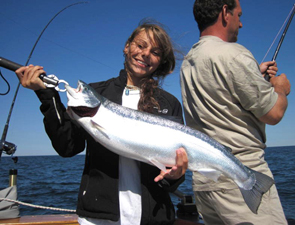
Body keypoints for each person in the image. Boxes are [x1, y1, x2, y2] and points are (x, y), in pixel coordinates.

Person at [16, 21, 188, 225]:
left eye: (155, 52)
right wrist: (46, 95)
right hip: (98, 219)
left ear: (160, 61)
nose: (145, 54)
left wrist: (174, 175)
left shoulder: (169, 103)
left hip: (154, 218)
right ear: (127, 46)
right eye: (141, 45)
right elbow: (68, 146)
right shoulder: (97, 94)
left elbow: (171, 176)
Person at [180, 0, 290, 224]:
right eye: (239, 15)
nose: (241, 24)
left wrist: (253, 74)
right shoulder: (234, 54)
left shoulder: (188, 61)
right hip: (241, 179)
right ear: (224, 12)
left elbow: (220, 95)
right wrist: (280, 88)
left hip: (204, 183)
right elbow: (274, 113)